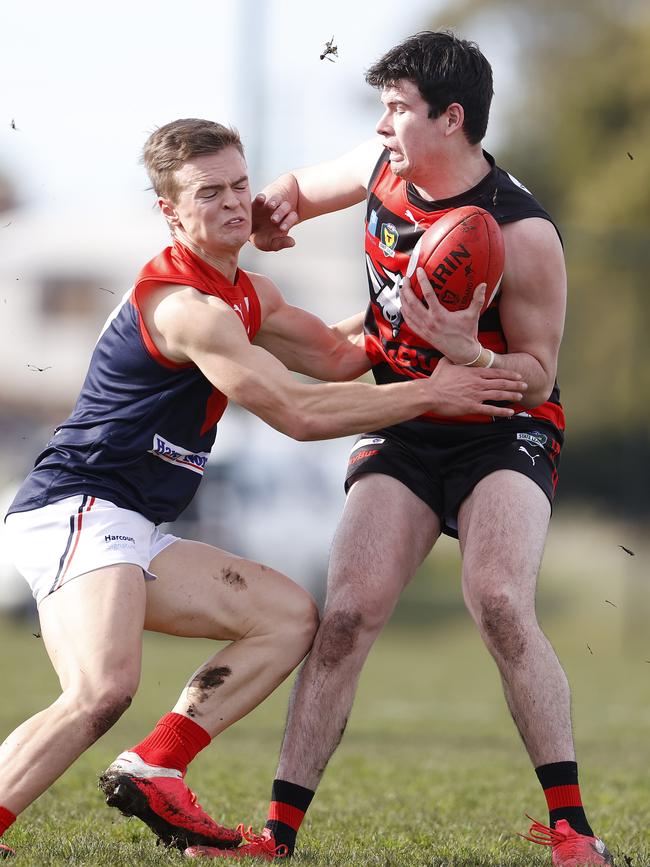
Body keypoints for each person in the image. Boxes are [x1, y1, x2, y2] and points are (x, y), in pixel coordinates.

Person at [0, 118, 523, 861]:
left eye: (241, 185)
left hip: (131, 522)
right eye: (209, 192)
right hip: (78, 509)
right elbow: (299, 412)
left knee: (286, 615)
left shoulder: (246, 294)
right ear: (172, 212)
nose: (234, 203)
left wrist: (415, 306)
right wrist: (431, 392)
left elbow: (341, 358)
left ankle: (157, 765)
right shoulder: (188, 308)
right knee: (101, 689)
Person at [189, 32, 613, 866]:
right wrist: (277, 205)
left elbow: (534, 377)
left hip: (502, 427)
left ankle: (572, 830)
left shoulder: (522, 232)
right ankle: (275, 836)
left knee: (497, 599)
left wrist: (465, 347)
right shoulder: (385, 165)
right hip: (405, 422)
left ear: (451, 119)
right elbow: (305, 188)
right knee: (344, 617)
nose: (382, 126)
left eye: (397, 110)